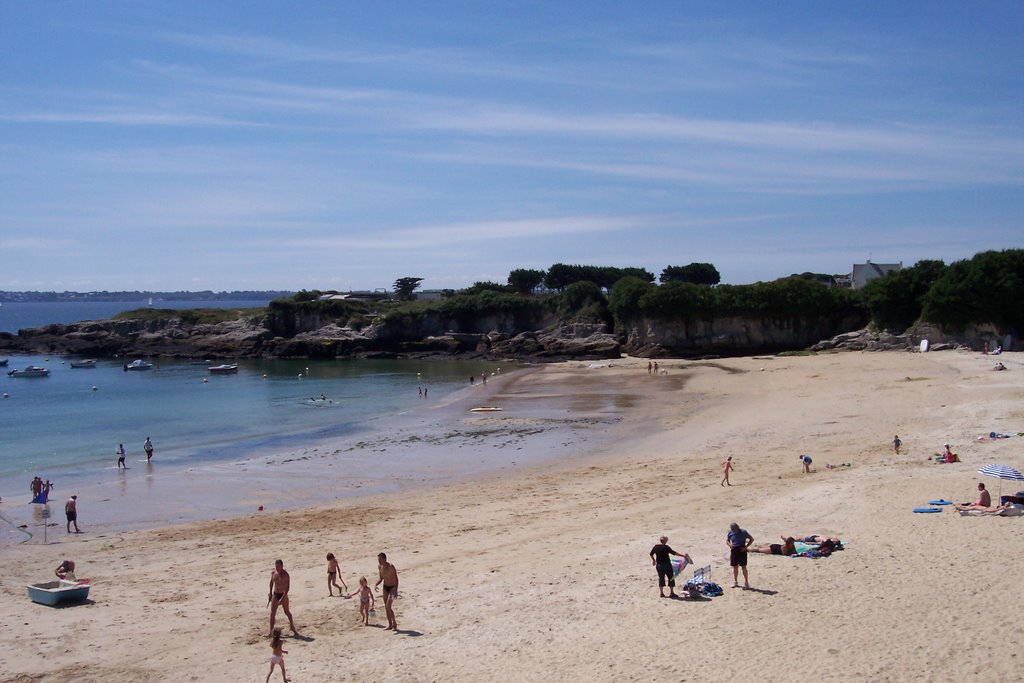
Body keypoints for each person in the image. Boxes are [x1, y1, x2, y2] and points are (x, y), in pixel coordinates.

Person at [268, 559, 297, 636]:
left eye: (278, 566)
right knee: (272, 614)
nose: (277, 568)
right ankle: (271, 632)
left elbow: (287, 587)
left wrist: (283, 597)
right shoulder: (274, 573)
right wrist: (270, 593)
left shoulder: (286, 575)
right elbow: (271, 583)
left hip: (283, 595)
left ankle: (292, 626)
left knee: (287, 612)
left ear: (282, 566)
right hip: (275, 594)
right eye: (276, 566)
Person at [375, 552, 399, 630]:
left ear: (384, 559)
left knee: (388, 606)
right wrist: (376, 584)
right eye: (378, 560)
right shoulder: (380, 567)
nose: (379, 561)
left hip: (393, 587)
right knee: (386, 607)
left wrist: (396, 590)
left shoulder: (391, 567)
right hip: (385, 587)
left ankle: (394, 623)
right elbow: (381, 578)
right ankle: (390, 624)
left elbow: (396, 579)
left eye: (380, 559)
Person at [726, 522, 753, 589]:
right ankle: (735, 581)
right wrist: (730, 545)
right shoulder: (730, 533)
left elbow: (751, 539)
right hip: (734, 550)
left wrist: (746, 547)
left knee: (743, 567)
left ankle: (746, 582)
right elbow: (727, 540)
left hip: (742, 549)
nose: (734, 532)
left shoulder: (743, 532)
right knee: (735, 567)